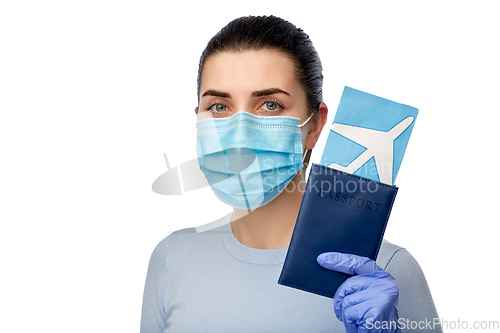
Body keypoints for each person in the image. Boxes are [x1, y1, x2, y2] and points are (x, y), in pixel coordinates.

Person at [141, 15, 441, 333]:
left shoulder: (383, 273)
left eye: (270, 105)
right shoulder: (172, 258)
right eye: (218, 106)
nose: (240, 133)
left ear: (314, 125)